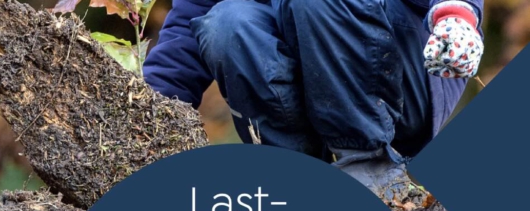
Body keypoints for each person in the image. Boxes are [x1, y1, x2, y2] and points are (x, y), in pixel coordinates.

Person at [143, 0, 484, 197]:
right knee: (227, 23)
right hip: (310, 86)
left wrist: (458, 15)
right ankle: (298, 182)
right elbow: (187, 25)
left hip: (403, 79)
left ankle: (369, 168)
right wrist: (145, 111)